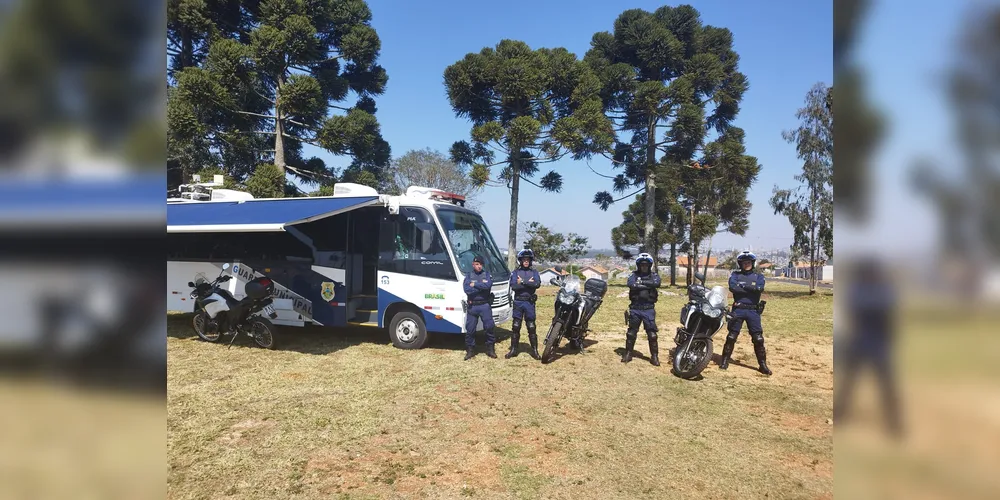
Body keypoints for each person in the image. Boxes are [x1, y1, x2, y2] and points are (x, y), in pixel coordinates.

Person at [719, 251, 771, 375]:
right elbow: (733, 287)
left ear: (752, 263)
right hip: (738, 309)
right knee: (731, 337)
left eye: (748, 262)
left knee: (758, 339)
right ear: (740, 264)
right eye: (744, 263)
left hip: (753, 310)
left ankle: (762, 365)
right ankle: (725, 361)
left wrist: (742, 286)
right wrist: (750, 287)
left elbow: (759, 288)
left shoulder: (759, 276)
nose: (746, 264)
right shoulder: (735, 275)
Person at [623, 253, 661, 365]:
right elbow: (631, 284)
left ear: (650, 266)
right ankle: (628, 353)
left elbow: (657, 283)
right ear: (638, 265)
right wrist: (648, 285)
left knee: (652, 335)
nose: (644, 267)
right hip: (635, 308)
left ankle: (654, 356)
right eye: (642, 265)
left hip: (648, 309)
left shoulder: (654, 275)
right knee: (631, 333)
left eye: (646, 265)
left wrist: (641, 283)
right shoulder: (633, 275)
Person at [506, 249, 541, 359]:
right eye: (524, 260)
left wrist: (522, 282)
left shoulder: (534, 272)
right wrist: (528, 283)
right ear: (520, 261)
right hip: (518, 301)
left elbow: (537, 284)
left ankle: (534, 350)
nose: (526, 261)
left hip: (529, 302)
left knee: (531, 326)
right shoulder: (515, 273)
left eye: (528, 260)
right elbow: (513, 286)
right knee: (516, 326)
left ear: (530, 261)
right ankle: (513, 349)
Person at [463, 255, 496, 360]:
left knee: (489, 327)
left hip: (484, 305)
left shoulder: (486, 275)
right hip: (473, 306)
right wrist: (481, 285)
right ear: (473, 265)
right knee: (470, 329)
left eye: (480, 264)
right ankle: (470, 350)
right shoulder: (468, 276)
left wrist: (475, 284)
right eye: (476, 264)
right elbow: (467, 290)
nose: (479, 266)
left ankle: (490, 349)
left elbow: (488, 286)